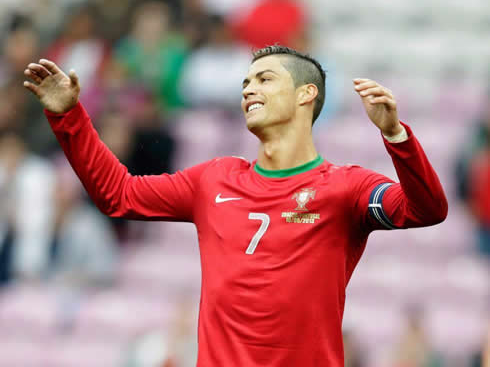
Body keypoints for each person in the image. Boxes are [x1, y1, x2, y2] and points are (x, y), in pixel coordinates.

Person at [22, 45, 448, 367]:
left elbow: (426, 209)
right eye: (246, 82)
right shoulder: (214, 179)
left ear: (306, 94)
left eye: (264, 79)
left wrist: (396, 137)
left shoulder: (345, 187)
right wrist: (69, 116)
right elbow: (118, 195)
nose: (248, 89)